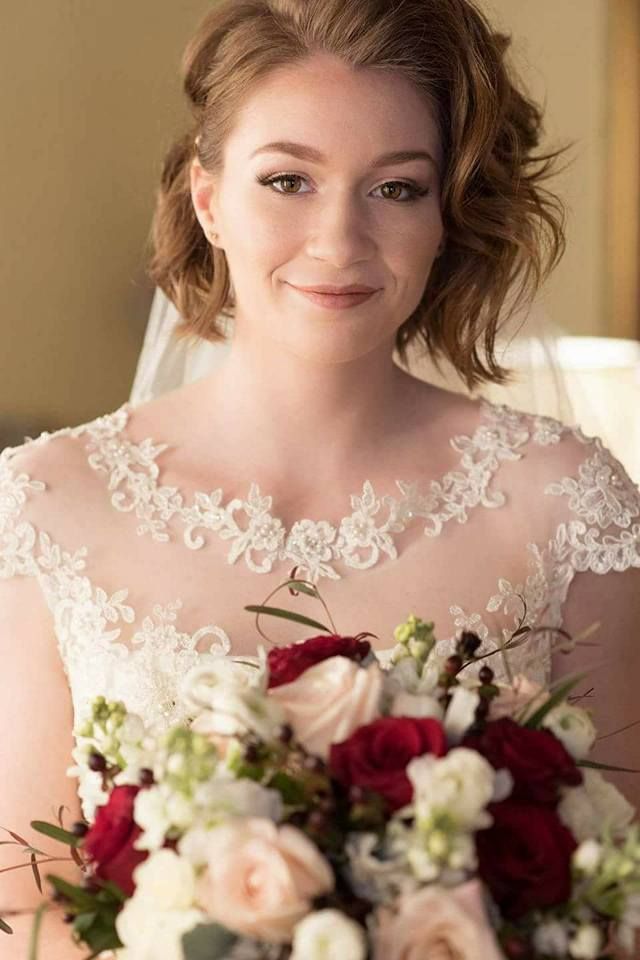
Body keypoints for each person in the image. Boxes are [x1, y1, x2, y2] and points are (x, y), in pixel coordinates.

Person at [2, 0, 639, 954]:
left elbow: (619, 895)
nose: (339, 240)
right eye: (288, 180)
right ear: (209, 199)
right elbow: (21, 906)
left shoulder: (567, 501)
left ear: (444, 216)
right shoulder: (49, 502)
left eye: (397, 188)